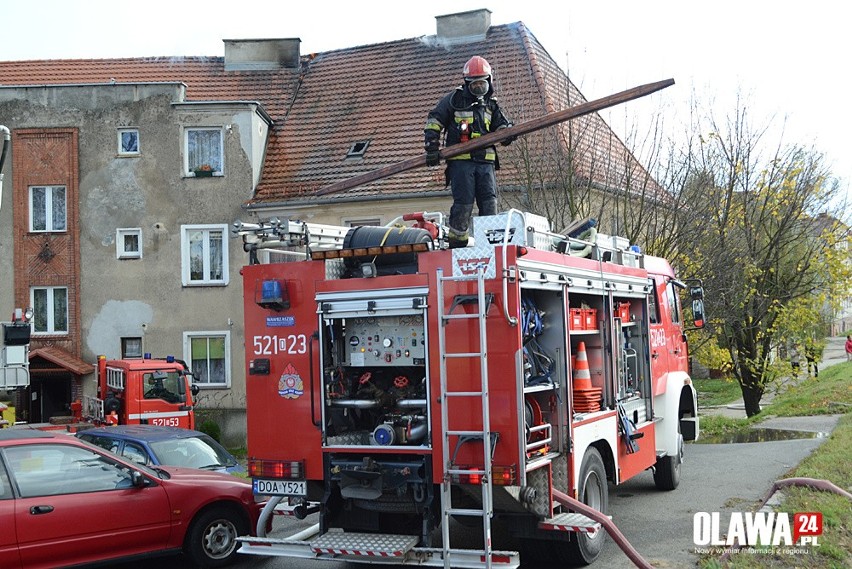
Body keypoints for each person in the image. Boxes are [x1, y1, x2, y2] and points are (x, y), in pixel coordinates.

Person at [424, 55, 515, 248]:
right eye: (474, 84)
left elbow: (501, 127)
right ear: (467, 84)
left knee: (489, 203)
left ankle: (489, 245)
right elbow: (434, 120)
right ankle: (458, 244)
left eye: (482, 84)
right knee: (464, 204)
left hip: (485, 163)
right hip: (461, 163)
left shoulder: (491, 104)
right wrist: (432, 147)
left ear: (489, 82)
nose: (478, 88)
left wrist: (507, 133)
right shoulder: (454, 100)